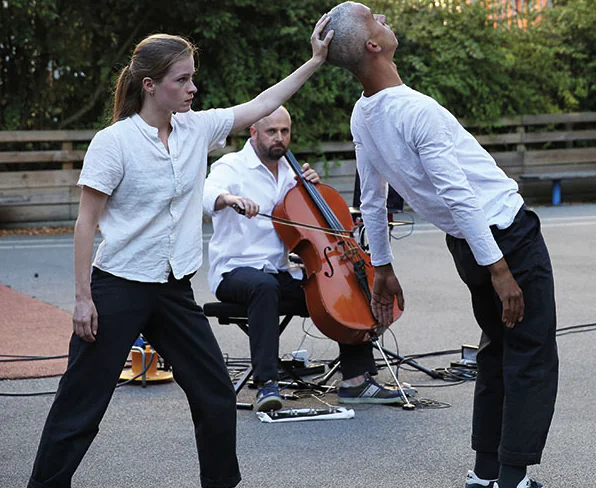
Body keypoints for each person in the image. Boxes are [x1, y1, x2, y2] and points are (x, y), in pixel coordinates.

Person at [28, 17, 333, 488]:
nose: (193, 87)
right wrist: (83, 298)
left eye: (192, 77)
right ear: (150, 86)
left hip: (173, 289)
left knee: (214, 396)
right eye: (183, 79)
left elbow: (262, 104)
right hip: (119, 287)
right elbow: (86, 221)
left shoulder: (196, 130)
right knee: (80, 405)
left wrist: (314, 61)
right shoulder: (114, 143)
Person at [322, 3, 558, 488]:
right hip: (503, 240)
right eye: (377, 20)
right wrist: (500, 269)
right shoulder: (416, 111)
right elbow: (458, 194)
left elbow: (371, 197)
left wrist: (383, 266)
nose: (386, 21)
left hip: (469, 246)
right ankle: (512, 480)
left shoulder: (364, 113)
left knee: (496, 353)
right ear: (372, 45)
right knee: (530, 354)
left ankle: (485, 473)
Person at [202, 105, 410, 412]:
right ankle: (266, 384)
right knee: (263, 287)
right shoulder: (231, 166)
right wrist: (229, 199)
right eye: (272, 131)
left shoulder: (291, 174)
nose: (280, 138)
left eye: (285, 131)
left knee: (347, 286)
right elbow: (207, 195)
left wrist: (309, 188)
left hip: (280, 271)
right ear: (254, 132)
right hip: (235, 272)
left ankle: (356, 381)